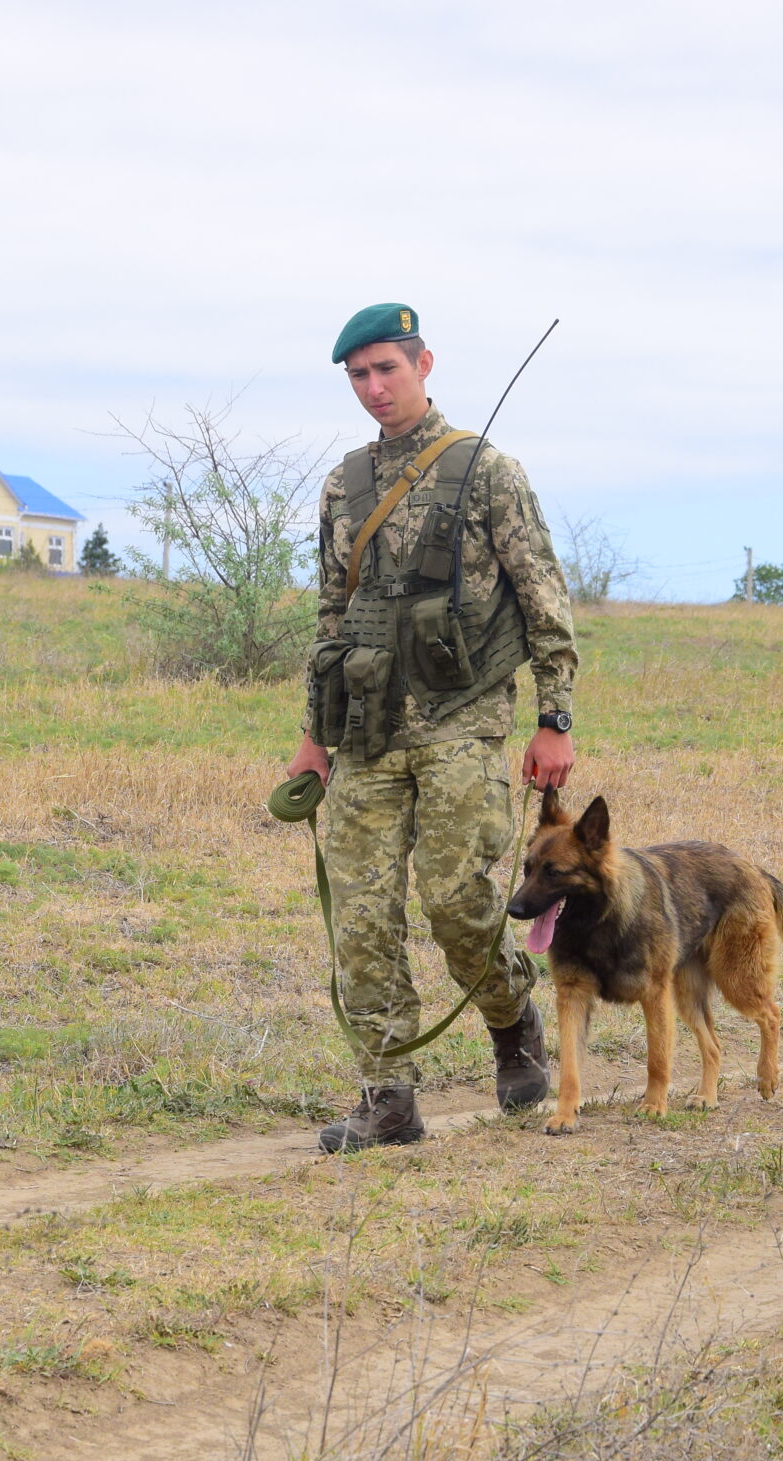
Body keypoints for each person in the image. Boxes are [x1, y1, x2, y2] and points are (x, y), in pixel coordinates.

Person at [287, 303, 579, 1153]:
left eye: (387, 369)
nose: (374, 388)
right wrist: (315, 733)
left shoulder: (487, 472)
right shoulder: (345, 483)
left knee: (455, 895)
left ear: (424, 364)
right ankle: (388, 1096)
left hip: (465, 721)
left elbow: (544, 603)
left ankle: (510, 1017)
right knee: (363, 915)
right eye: (358, 375)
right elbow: (332, 614)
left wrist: (553, 720)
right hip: (369, 729)